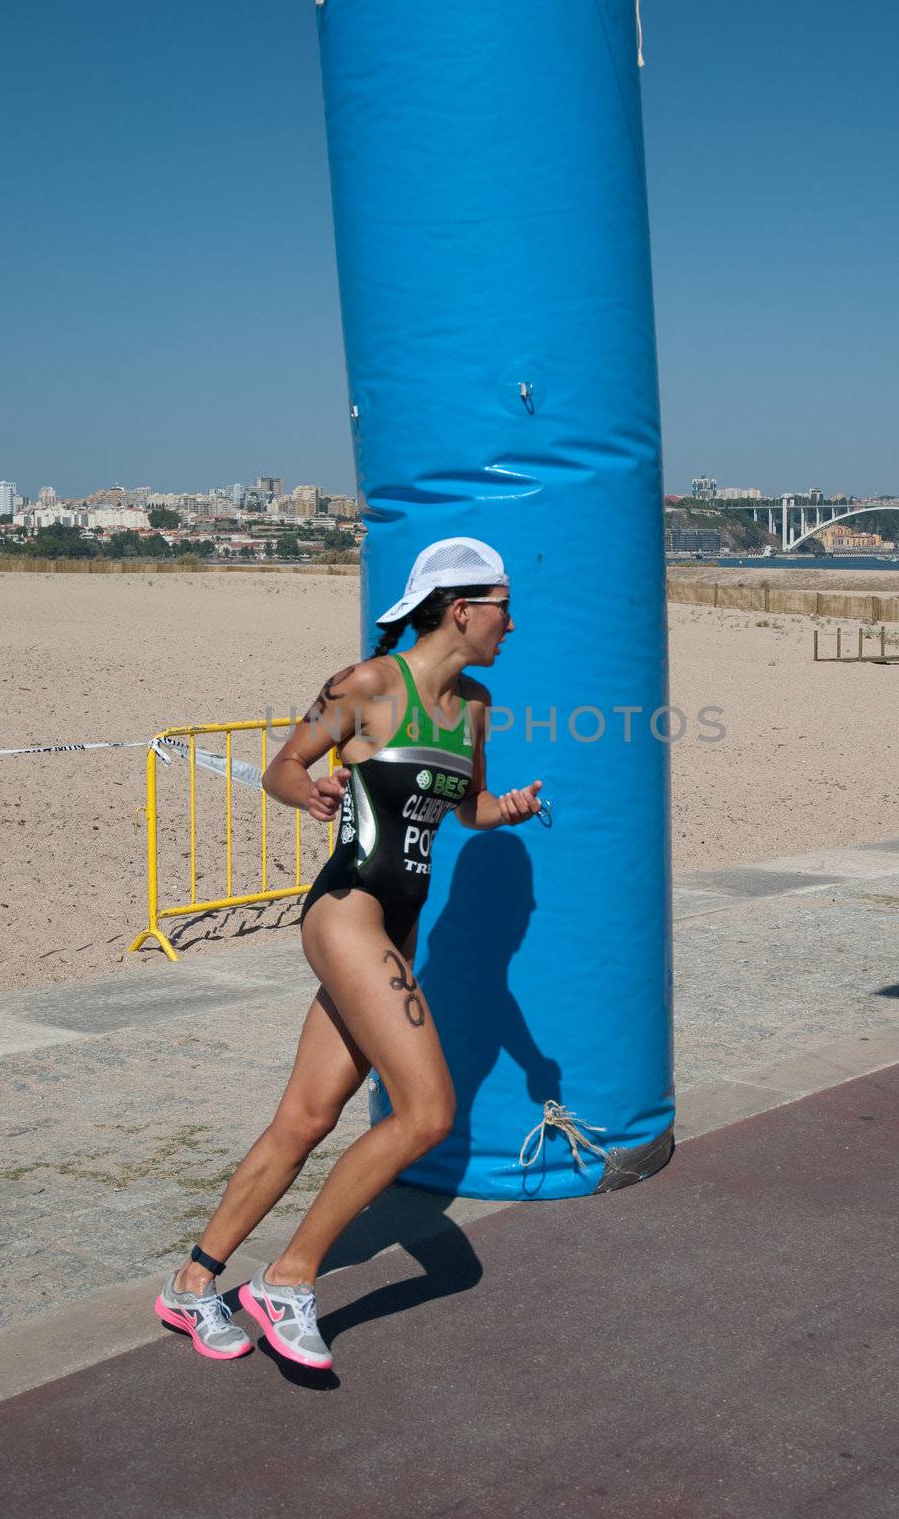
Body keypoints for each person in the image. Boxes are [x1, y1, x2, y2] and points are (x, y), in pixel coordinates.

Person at [154, 537, 543, 1369]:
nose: (513, 622)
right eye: (504, 606)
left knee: (306, 1118)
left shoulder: (473, 707)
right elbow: (281, 769)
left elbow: (463, 806)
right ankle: (288, 1280)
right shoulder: (367, 686)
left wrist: (501, 810)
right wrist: (314, 788)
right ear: (461, 607)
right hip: (346, 913)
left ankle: (191, 1285)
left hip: (396, 929)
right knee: (429, 1112)